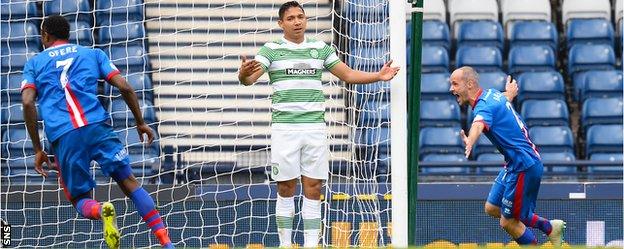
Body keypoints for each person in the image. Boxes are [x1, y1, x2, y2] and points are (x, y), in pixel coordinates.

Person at [237, 1, 399, 247]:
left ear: (306, 19)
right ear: (281, 23)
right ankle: (285, 244)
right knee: (286, 186)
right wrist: (242, 72)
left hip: (314, 128)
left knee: (313, 187)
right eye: (290, 18)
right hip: (285, 128)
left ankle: (312, 244)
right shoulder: (271, 49)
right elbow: (249, 80)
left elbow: (347, 74)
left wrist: (378, 76)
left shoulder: (319, 48)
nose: (297, 21)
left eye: (300, 16)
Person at [21, 15, 174, 249]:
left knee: (80, 198)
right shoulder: (93, 54)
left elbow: (28, 103)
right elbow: (124, 86)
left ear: (45, 36)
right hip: (97, 127)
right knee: (130, 183)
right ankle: (166, 242)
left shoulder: (35, 63)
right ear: (68, 35)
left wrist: (38, 149)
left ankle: (102, 210)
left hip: (65, 136)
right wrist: (141, 122)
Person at [449, 66, 566, 246]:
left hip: (524, 165)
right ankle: (549, 227)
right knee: (492, 208)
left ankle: (547, 230)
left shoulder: (483, 107)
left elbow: (478, 125)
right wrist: (509, 94)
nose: (452, 89)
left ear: (470, 84)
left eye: (455, 84)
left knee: (508, 221)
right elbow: (501, 102)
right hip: (514, 164)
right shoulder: (492, 94)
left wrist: (470, 140)